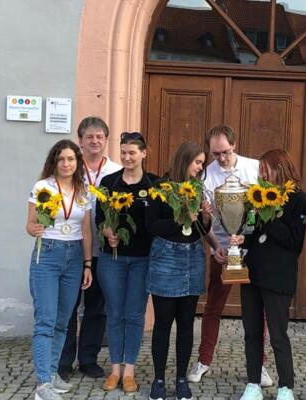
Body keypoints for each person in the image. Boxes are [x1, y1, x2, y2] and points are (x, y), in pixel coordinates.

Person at [188, 125, 273, 387]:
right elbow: (205, 219)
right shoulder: (206, 176)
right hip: (222, 250)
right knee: (213, 307)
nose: (222, 158)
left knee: (258, 310)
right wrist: (215, 246)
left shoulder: (256, 168)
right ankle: (204, 361)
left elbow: (266, 209)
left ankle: (259, 365)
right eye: (216, 154)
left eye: (225, 152)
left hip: (253, 250)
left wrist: (249, 237)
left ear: (234, 144)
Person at [233, 149, 306, 400]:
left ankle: (285, 386)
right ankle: (253, 383)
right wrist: (242, 237)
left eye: (268, 169)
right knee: (252, 332)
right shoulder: (258, 197)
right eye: (261, 171)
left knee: (278, 334)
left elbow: (293, 241)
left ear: (282, 167)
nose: (263, 174)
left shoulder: (300, 200)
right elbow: (251, 229)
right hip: (253, 272)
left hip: (279, 276)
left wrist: (271, 212)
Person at [26, 139, 93, 400]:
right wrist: (35, 229)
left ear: (78, 162)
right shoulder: (43, 187)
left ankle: (53, 374)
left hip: (75, 255)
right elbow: (30, 224)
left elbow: (86, 230)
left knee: (64, 320)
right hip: (49, 254)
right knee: (46, 320)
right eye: (61, 159)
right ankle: (42, 384)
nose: (66, 164)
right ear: (54, 161)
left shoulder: (83, 190)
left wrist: (88, 264)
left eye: (71, 159)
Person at [146, 141, 213, 400]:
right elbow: (152, 225)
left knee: (186, 323)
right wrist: (181, 217)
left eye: (202, 163)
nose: (200, 168)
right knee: (163, 323)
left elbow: (199, 231)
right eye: (197, 162)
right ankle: (159, 380)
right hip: (166, 257)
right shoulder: (160, 188)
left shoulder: (198, 189)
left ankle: (182, 379)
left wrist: (205, 219)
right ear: (184, 160)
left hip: (193, 256)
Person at [58, 117, 121, 380]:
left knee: (97, 307)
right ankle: (63, 359)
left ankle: (88, 358)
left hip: (104, 250)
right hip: (73, 248)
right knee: (68, 306)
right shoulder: (70, 168)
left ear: (106, 140)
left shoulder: (116, 171)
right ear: (80, 140)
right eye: (89, 137)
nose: (95, 141)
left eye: (100, 137)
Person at [95, 132, 158, 393]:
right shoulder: (109, 183)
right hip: (113, 259)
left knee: (134, 314)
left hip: (143, 259)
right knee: (115, 312)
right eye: (123, 152)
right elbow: (99, 217)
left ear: (144, 153)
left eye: (132, 152)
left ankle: (129, 370)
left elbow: (159, 222)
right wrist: (108, 231)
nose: (127, 157)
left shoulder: (154, 184)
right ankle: (114, 369)